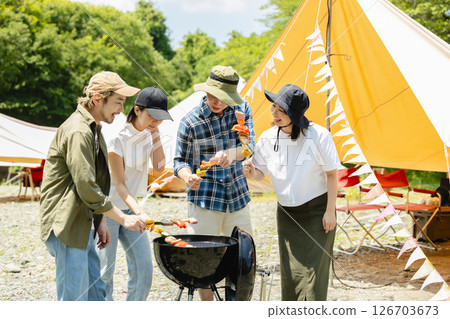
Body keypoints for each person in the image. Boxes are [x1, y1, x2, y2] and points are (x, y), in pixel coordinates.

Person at [40, 71, 147, 301]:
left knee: (96, 296)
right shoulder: (79, 130)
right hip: (67, 225)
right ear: (98, 98)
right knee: (74, 299)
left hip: (83, 222)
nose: (122, 109)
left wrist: (100, 222)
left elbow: (94, 182)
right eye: (118, 101)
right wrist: (123, 218)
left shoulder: (93, 128)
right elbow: (86, 186)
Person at [243, 84, 339, 301]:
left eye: (281, 110)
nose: (274, 113)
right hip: (286, 213)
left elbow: (332, 175)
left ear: (294, 115)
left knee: (314, 276)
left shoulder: (318, 135)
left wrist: (330, 212)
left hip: (317, 211)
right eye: (274, 107)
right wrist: (250, 172)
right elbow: (260, 173)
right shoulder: (267, 138)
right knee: (290, 274)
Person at [174, 65, 254, 301]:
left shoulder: (241, 109)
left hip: (237, 197)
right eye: (212, 96)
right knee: (202, 262)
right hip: (205, 199)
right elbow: (179, 161)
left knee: (242, 259)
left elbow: (249, 148)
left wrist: (232, 154)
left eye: (223, 98)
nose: (217, 102)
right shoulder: (190, 121)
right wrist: (188, 177)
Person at [97, 87, 172, 301]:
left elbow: (159, 167)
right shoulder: (116, 138)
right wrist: (141, 213)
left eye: (160, 119)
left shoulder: (150, 134)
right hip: (107, 210)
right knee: (104, 273)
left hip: (132, 207)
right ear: (137, 110)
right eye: (152, 116)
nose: (156, 122)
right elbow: (119, 184)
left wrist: (155, 132)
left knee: (144, 271)